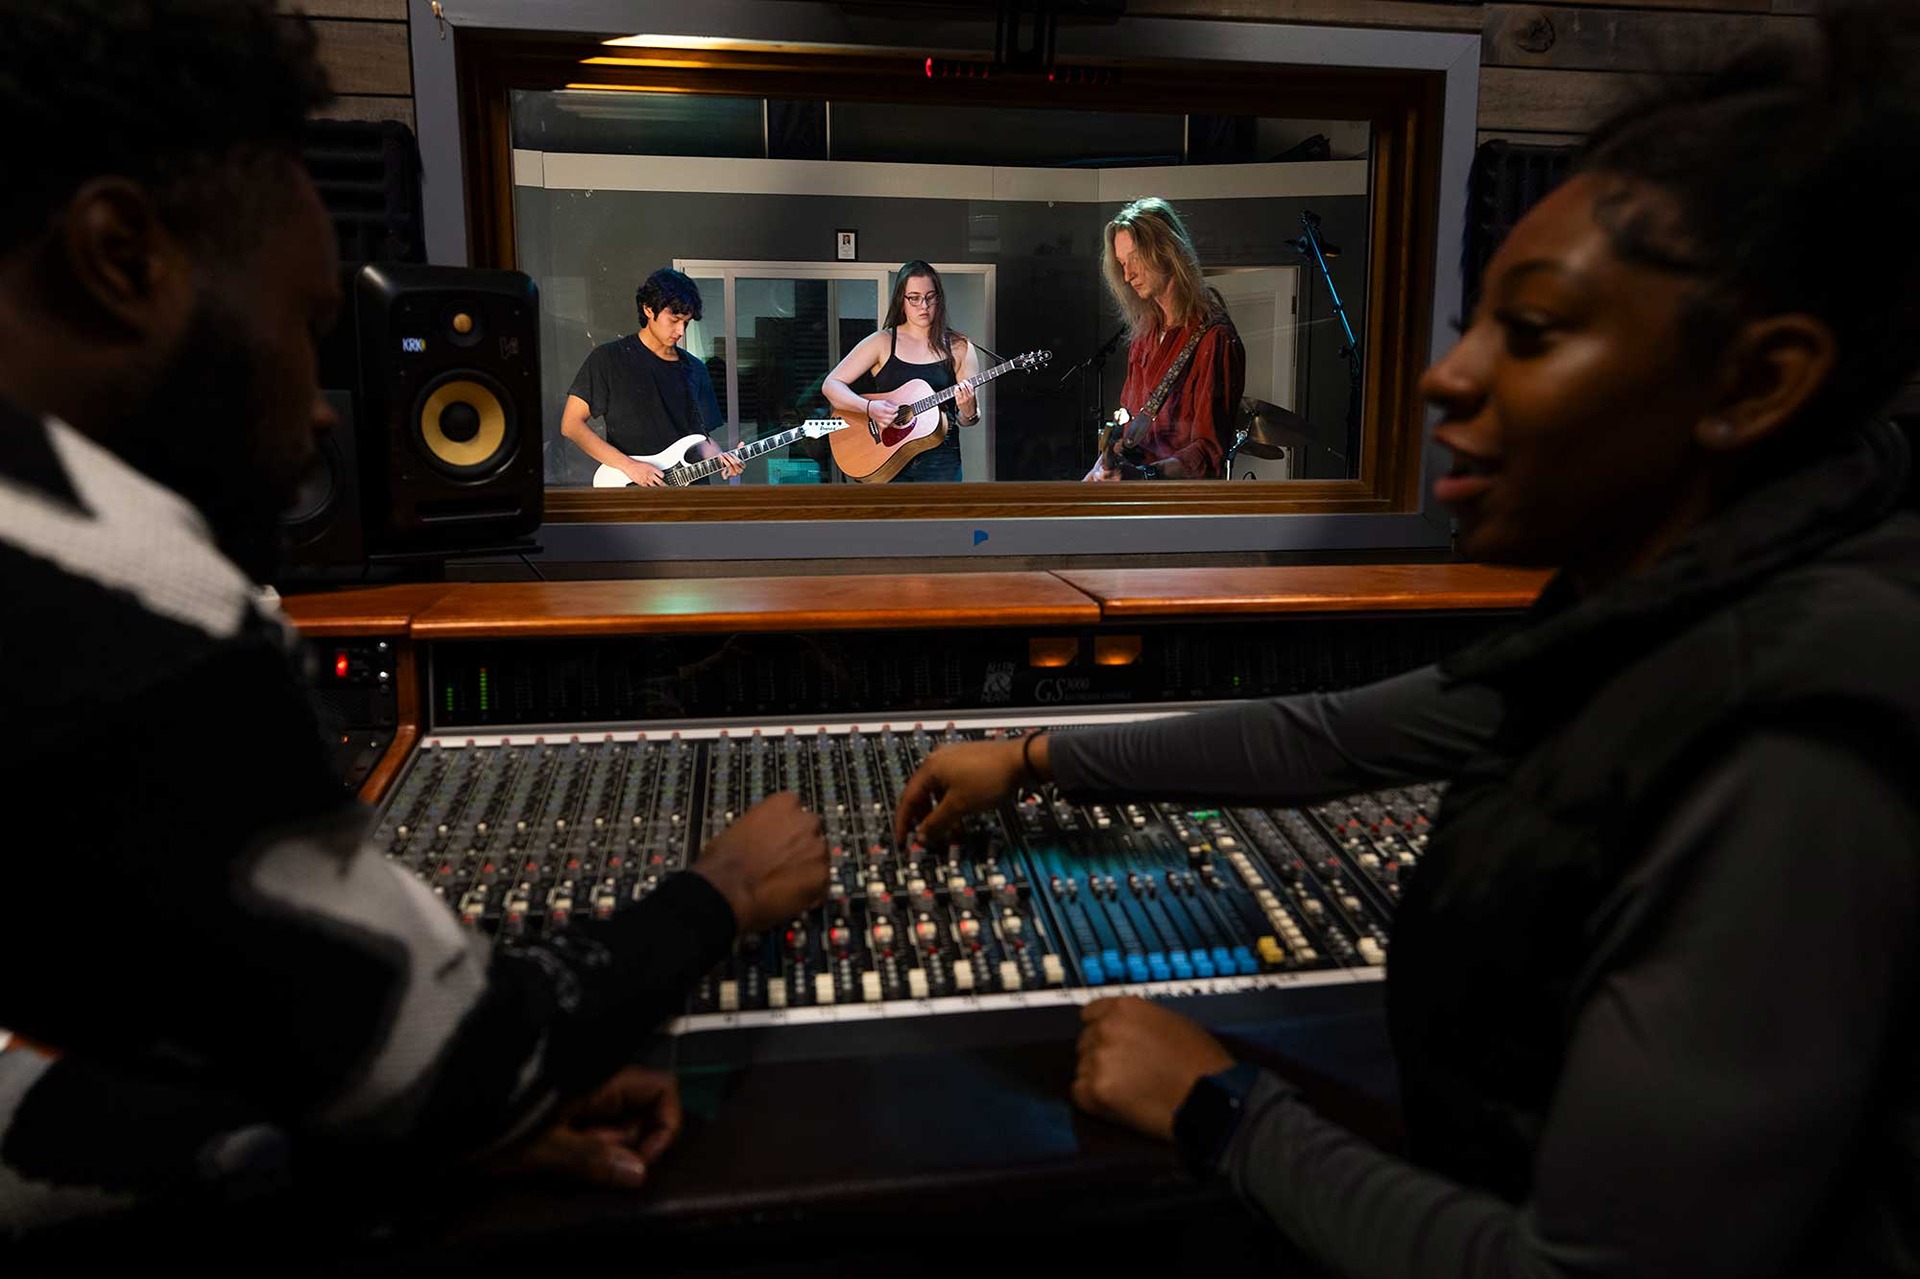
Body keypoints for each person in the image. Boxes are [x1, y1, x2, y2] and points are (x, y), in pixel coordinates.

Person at [897, 6, 1920, 1274]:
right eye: (1473, 319)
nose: (1445, 376)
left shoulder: (1798, 744)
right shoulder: (1668, 612)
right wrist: (1043, 757)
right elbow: (1334, 734)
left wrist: (1219, 1108)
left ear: (1760, 382)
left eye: (1530, 332)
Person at [0, 0, 827, 1246]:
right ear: (120, 256)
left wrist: (375, 1135)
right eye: (306, 322)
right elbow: (454, 1049)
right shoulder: (125, 599)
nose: (330, 409)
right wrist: (719, 890)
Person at [1085, 198, 1245, 481]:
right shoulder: (1144, 335)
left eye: (1134, 259)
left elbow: (1208, 454)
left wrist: (1144, 475)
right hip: (1136, 506)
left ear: (1166, 250)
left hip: (1177, 509)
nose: (1127, 275)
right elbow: (1130, 428)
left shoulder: (1213, 338)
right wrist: (1100, 469)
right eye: (1122, 264)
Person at [559, 268, 742, 486]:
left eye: (686, 322)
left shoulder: (695, 368)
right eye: (674, 319)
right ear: (648, 309)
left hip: (689, 494)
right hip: (631, 489)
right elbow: (571, 425)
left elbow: (701, 440)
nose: (681, 330)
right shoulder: (609, 359)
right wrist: (629, 466)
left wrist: (723, 459)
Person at [822, 261, 980, 483]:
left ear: (939, 298)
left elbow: (968, 420)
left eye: (930, 297)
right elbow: (831, 385)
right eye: (914, 298)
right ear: (901, 300)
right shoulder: (882, 342)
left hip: (940, 460)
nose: (923, 305)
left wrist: (968, 410)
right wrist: (869, 407)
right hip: (885, 456)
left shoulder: (960, 347)